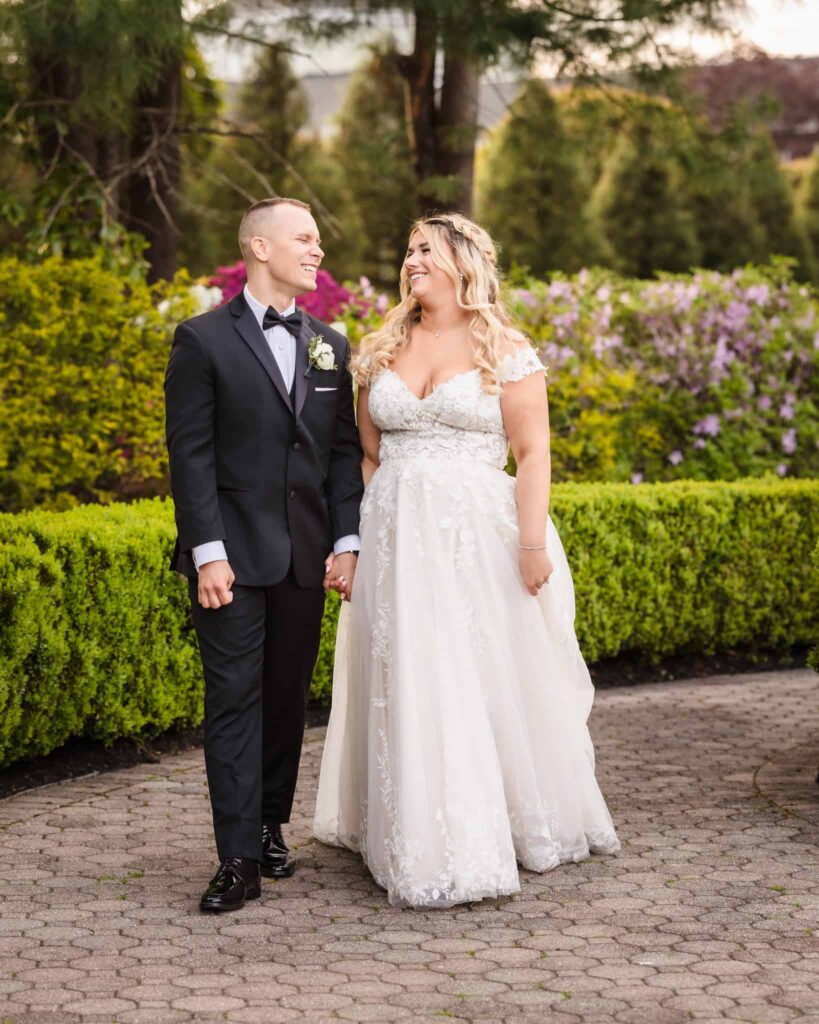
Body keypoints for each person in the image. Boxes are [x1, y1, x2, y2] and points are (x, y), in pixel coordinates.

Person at [315, 213, 619, 908]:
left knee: (475, 673)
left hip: (475, 536)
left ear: (461, 261)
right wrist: (355, 545)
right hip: (394, 535)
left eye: (426, 248)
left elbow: (533, 452)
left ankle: (494, 825)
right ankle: (407, 829)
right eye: (409, 247)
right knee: (409, 673)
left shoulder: (503, 346)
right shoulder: (382, 346)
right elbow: (367, 455)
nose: (411, 258)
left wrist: (532, 542)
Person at [165, 197, 364, 913]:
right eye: (304, 239)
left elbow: (342, 456)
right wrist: (207, 552)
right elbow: (189, 458)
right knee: (233, 703)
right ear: (258, 246)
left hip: (305, 558)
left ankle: (269, 825)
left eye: (318, 239)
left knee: (284, 702)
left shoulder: (331, 346)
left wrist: (347, 541)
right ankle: (236, 859)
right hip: (230, 558)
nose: (317, 251)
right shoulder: (201, 340)